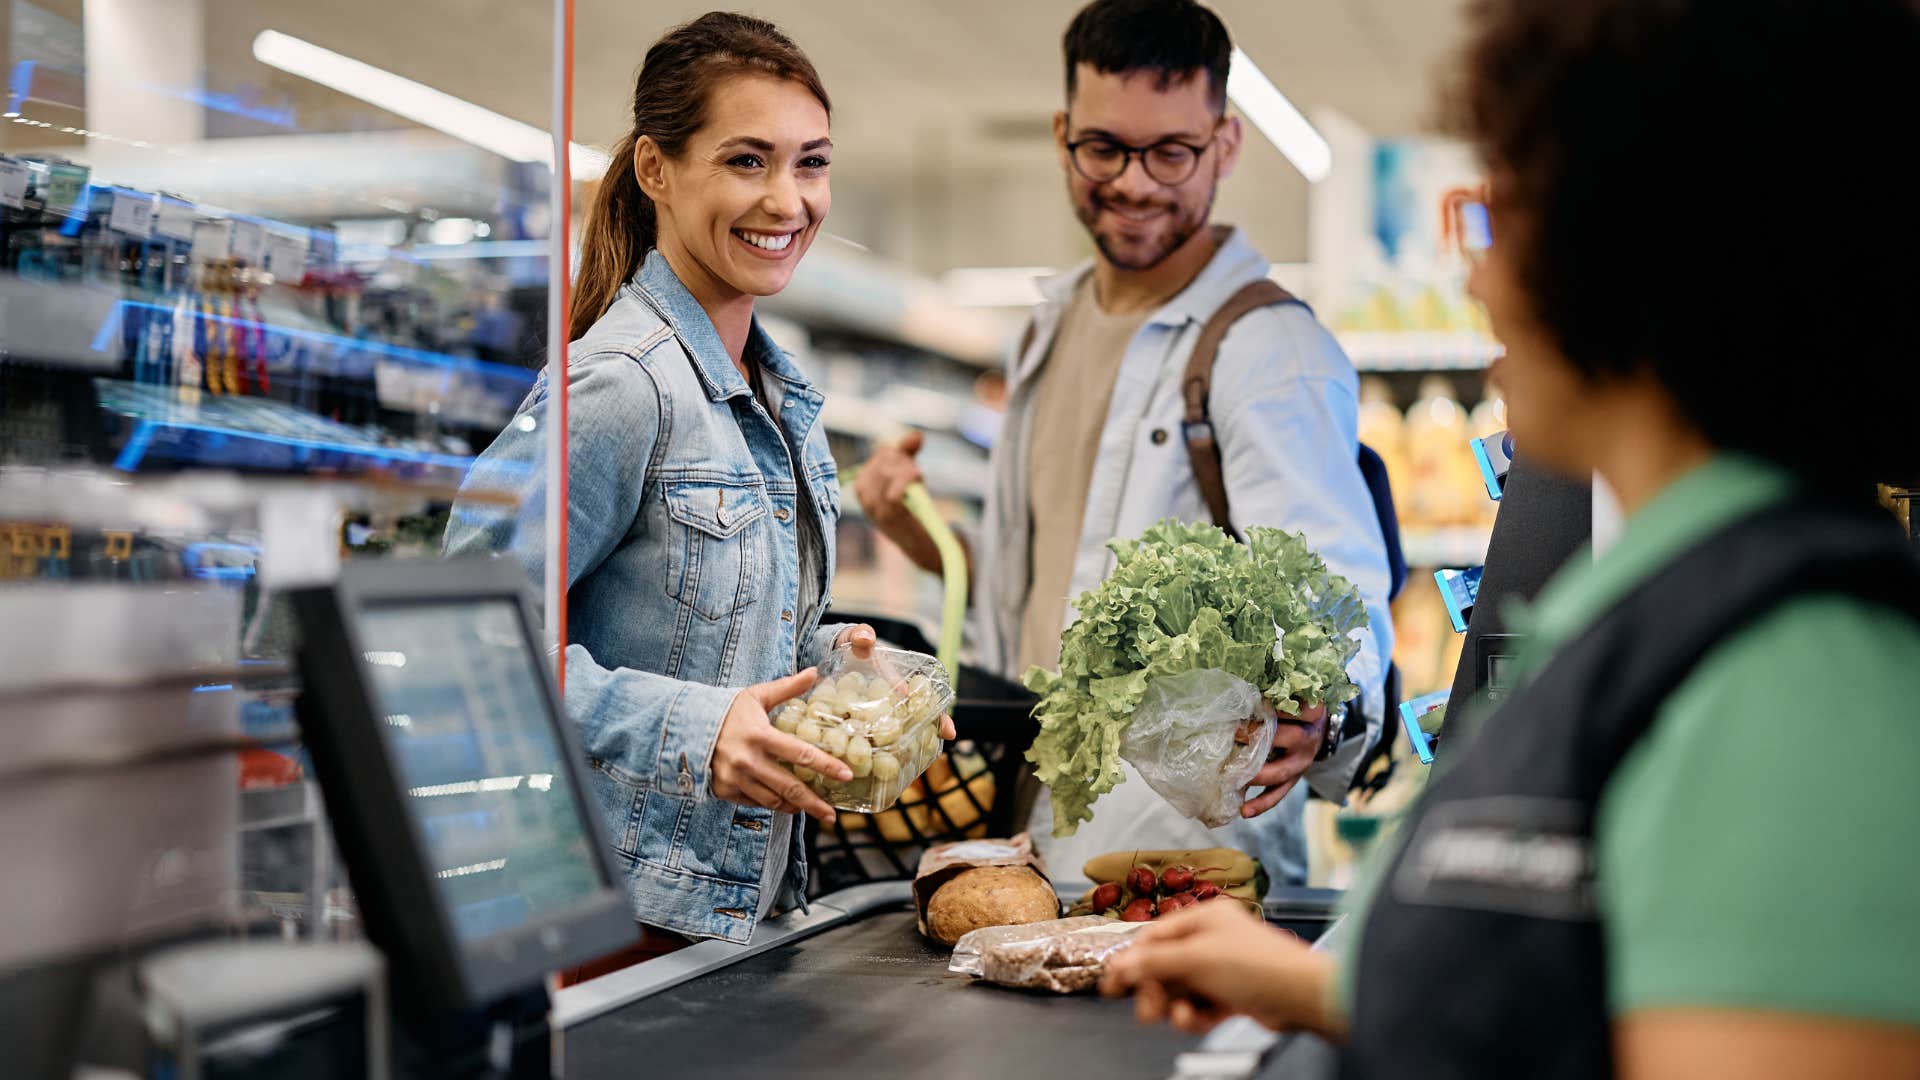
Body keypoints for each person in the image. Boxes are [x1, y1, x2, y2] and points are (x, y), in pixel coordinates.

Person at [1103, 0, 1920, 1075]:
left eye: (1513, 210)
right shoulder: (1647, 597)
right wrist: (1315, 986)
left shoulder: (1799, 673)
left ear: (1644, 251)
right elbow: (1578, 994)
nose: (1477, 272)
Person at [445, 12, 951, 956]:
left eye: (811, 163)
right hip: (612, 920)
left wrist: (839, 667)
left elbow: (696, 628)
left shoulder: (778, 389)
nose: (787, 200)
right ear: (654, 170)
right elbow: (462, 643)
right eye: (747, 161)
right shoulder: (620, 385)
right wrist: (698, 728)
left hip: (730, 916)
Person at [855, 0, 1393, 886]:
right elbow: (1054, 604)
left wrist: (1325, 714)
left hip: (1181, 859)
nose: (1136, 182)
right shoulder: (1050, 327)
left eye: (1171, 152)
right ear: (1064, 134)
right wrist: (928, 542)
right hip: (1028, 831)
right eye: (1105, 148)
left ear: (1225, 145)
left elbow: (1337, 598)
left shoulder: (1267, 351)